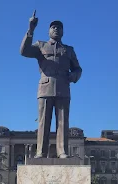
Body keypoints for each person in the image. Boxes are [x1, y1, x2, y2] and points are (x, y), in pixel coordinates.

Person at [20, 10, 82, 158]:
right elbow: (24, 51)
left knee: (62, 122)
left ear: (63, 32)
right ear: (48, 31)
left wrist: (73, 76)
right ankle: (41, 151)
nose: (56, 29)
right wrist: (31, 29)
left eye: (59, 27)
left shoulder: (69, 50)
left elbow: (78, 68)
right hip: (45, 87)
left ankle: (62, 151)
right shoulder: (41, 45)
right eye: (53, 27)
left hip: (63, 87)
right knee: (43, 122)